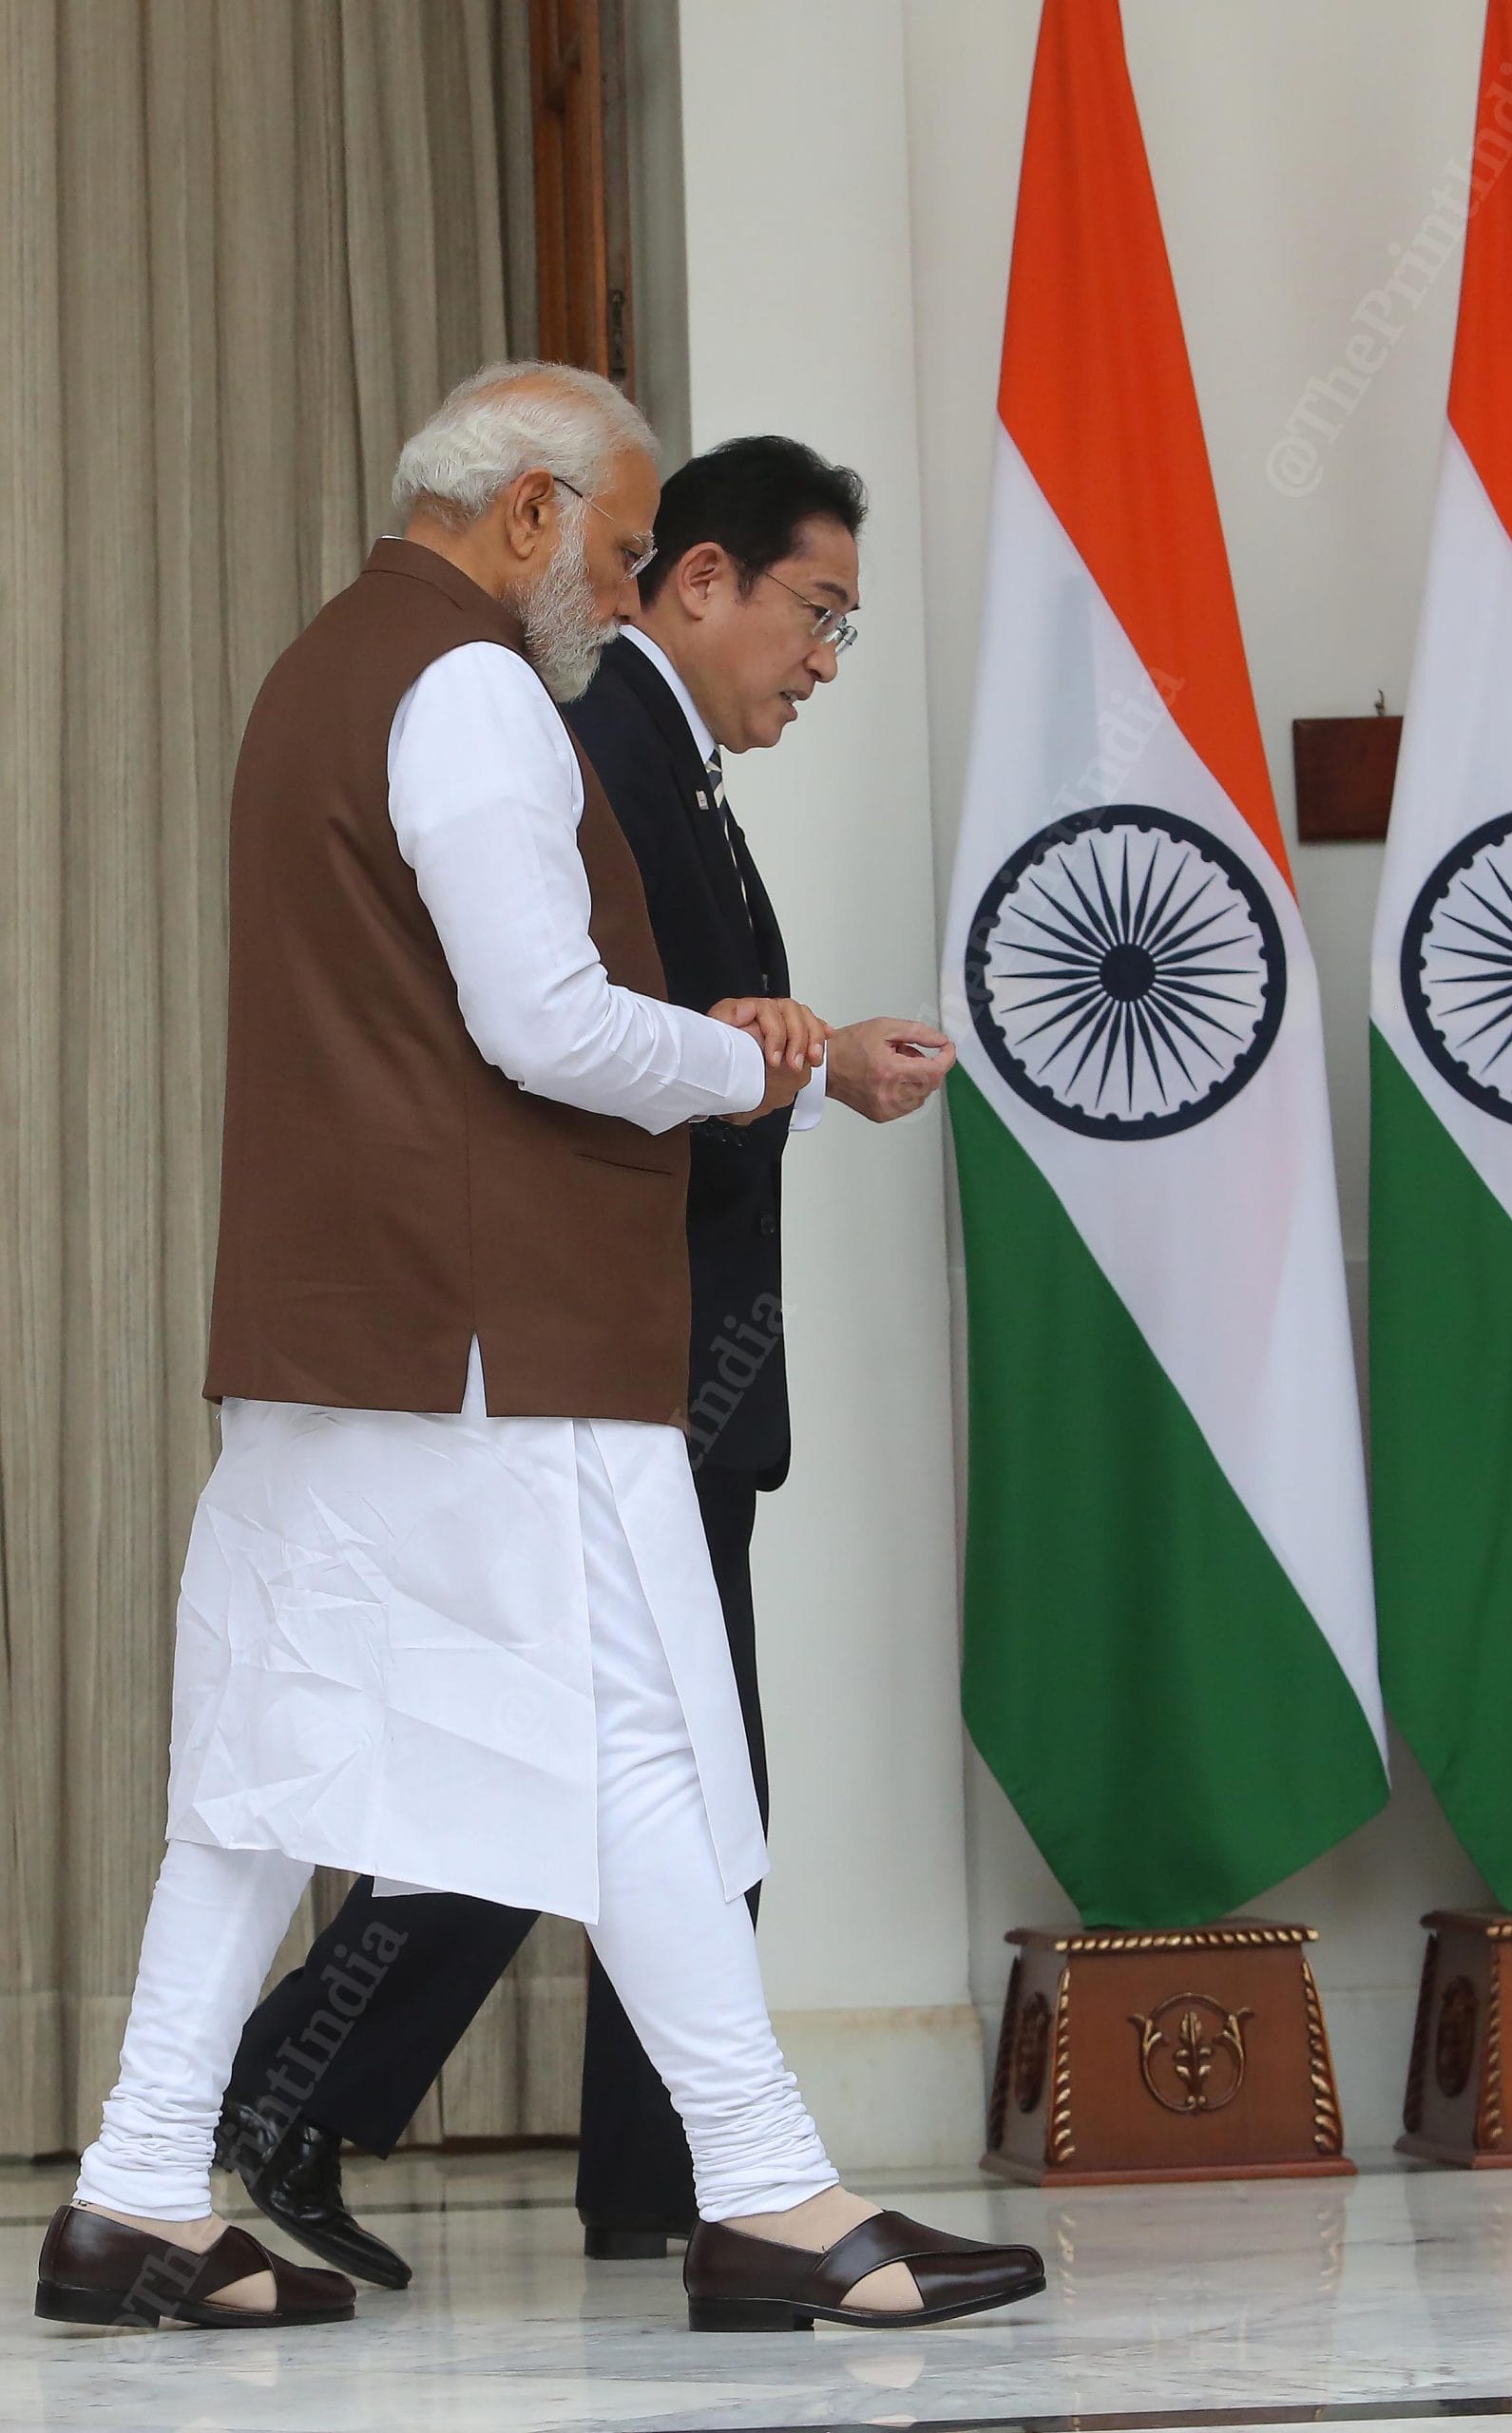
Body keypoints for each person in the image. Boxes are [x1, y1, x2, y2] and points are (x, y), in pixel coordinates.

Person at [34, 362, 1042, 2335]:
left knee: (257, 1774)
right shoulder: (475, 684)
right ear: (518, 514)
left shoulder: (317, 671)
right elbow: (545, 1021)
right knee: (645, 1740)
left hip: (339, 1331)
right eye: (606, 540)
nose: (617, 577)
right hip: (490, 1332)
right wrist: (784, 1066)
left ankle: (139, 2187)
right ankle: (763, 2194)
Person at [210, 434, 956, 2292]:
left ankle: (663, 2171)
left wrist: (802, 1056)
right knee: (599, 1762)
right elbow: (559, 1038)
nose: (824, 655)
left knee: (634, 1767)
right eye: (816, 609)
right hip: (592, 1352)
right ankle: (324, 2094)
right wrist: (763, 1063)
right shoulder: (588, 738)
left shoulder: (653, 755)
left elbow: (682, 1026)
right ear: (692, 575)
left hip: (637, 1349)